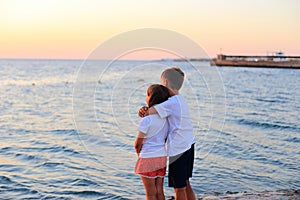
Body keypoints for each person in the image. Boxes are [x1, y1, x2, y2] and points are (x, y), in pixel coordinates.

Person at [139, 67, 196, 200]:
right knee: (186, 183)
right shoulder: (181, 100)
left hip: (179, 149)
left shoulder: (171, 103)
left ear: (165, 82)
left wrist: (143, 110)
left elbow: (149, 112)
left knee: (179, 188)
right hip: (189, 144)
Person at [134, 84, 171, 200]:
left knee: (150, 193)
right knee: (159, 191)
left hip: (148, 157)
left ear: (150, 98)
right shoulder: (166, 119)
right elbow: (164, 139)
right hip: (161, 156)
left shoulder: (147, 120)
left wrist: (140, 155)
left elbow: (137, 144)